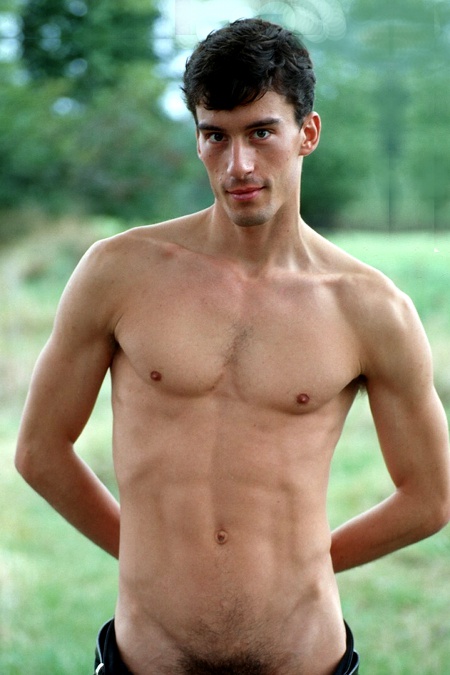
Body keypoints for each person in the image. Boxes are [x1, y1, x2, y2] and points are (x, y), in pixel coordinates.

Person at [15, 17, 450, 675]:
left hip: (304, 656)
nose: (238, 164)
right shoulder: (119, 272)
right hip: (148, 658)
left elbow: (430, 497)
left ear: (308, 134)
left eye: (261, 133)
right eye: (215, 135)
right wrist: (147, 560)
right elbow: (40, 450)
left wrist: (303, 563)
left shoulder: (371, 308)